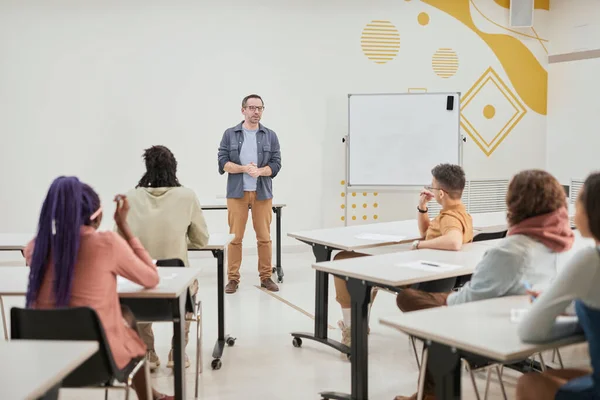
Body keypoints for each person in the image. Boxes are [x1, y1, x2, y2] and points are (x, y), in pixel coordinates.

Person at [394, 169, 575, 400]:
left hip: (496, 328)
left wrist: (448, 301)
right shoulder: (564, 242)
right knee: (426, 308)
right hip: (530, 317)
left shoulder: (510, 251)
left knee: (430, 319)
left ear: (514, 204)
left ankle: (430, 395)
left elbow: (468, 301)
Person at [24, 176, 173, 400]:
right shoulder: (107, 244)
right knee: (124, 320)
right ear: (98, 215)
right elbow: (151, 277)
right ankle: (149, 397)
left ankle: (152, 395)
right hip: (97, 362)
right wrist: (125, 227)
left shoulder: (37, 248)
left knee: (125, 315)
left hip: (45, 363)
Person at [333, 164, 473, 347]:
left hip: (416, 276)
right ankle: (359, 323)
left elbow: (453, 241)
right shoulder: (462, 214)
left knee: (342, 260)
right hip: (434, 275)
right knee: (353, 263)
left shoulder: (450, 218)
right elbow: (428, 232)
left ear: (441, 194)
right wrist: (422, 208)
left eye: (432, 186)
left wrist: (418, 245)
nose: (429, 189)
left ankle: (351, 331)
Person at [120, 145, 210, 370]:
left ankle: (147, 352)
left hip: (141, 283)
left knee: (139, 287)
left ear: (147, 168)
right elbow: (201, 240)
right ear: (174, 168)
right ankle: (177, 352)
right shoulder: (187, 196)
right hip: (176, 281)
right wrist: (179, 241)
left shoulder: (131, 196)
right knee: (191, 288)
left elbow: (118, 239)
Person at [516, 172, 600, 400]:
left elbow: (529, 330)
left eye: (578, 202)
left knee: (528, 383)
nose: (573, 212)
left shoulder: (590, 260)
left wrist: (573, 321)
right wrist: (575, 310)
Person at [217, 94, 282, 294]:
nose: (256, 112)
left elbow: (276, 164)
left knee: (264, 237)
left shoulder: (270, 135)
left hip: (262, 193)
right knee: (235, 238)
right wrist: (245, 169)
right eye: (252, 108)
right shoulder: (230, 134)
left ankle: (265, 277)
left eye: (260, 108)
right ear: (243, 109)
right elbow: (223, 162)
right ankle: (233, 279)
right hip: (237, 193)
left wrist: (260, 171)